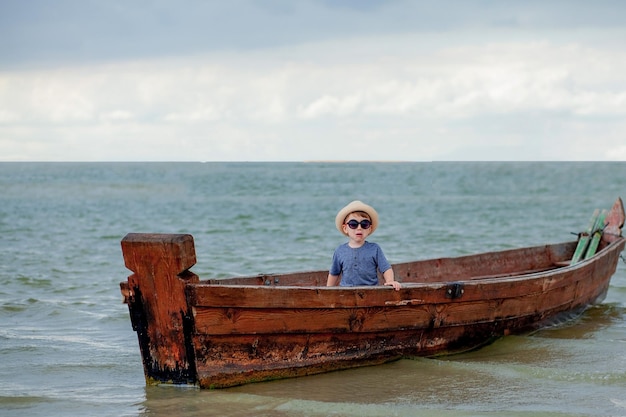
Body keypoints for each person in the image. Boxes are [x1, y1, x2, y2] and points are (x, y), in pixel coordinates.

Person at [327, 200, 401, 290]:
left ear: (369, 229)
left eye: (364, 224)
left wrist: (390, 281)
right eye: (353, 224)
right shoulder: (340, 251)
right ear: (345, 228)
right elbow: (334, 273)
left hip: (371, 293)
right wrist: (328, 290)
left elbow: (386, 268)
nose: (359, 228)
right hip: (346, 294)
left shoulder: (374, 249)